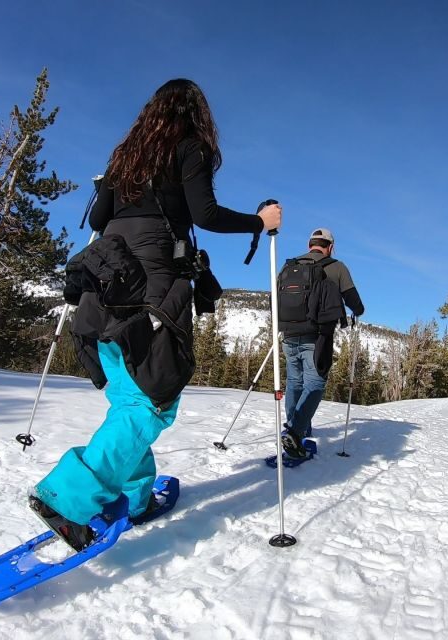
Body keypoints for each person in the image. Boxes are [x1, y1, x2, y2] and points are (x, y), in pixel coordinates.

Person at [29, 78, 282, 550]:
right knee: (151, 400)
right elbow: (204, 214)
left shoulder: (126, 156)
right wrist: (259, 221)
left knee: (131, 395)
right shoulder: (189, 147)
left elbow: (98, 218)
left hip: (104, 275)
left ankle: (135, 497)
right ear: (196, 113)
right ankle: (67, 499)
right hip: (151, 284)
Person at [279, 227, 364, 459]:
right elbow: (354, 302)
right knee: (315, 383)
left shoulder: (289, 266)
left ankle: (296, 428)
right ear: (331, 247)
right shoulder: (336, 267)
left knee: (294, 382)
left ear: (309, 245)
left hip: (288, 334)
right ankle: (294, 432)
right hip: (316, 336)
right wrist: (358, 311)